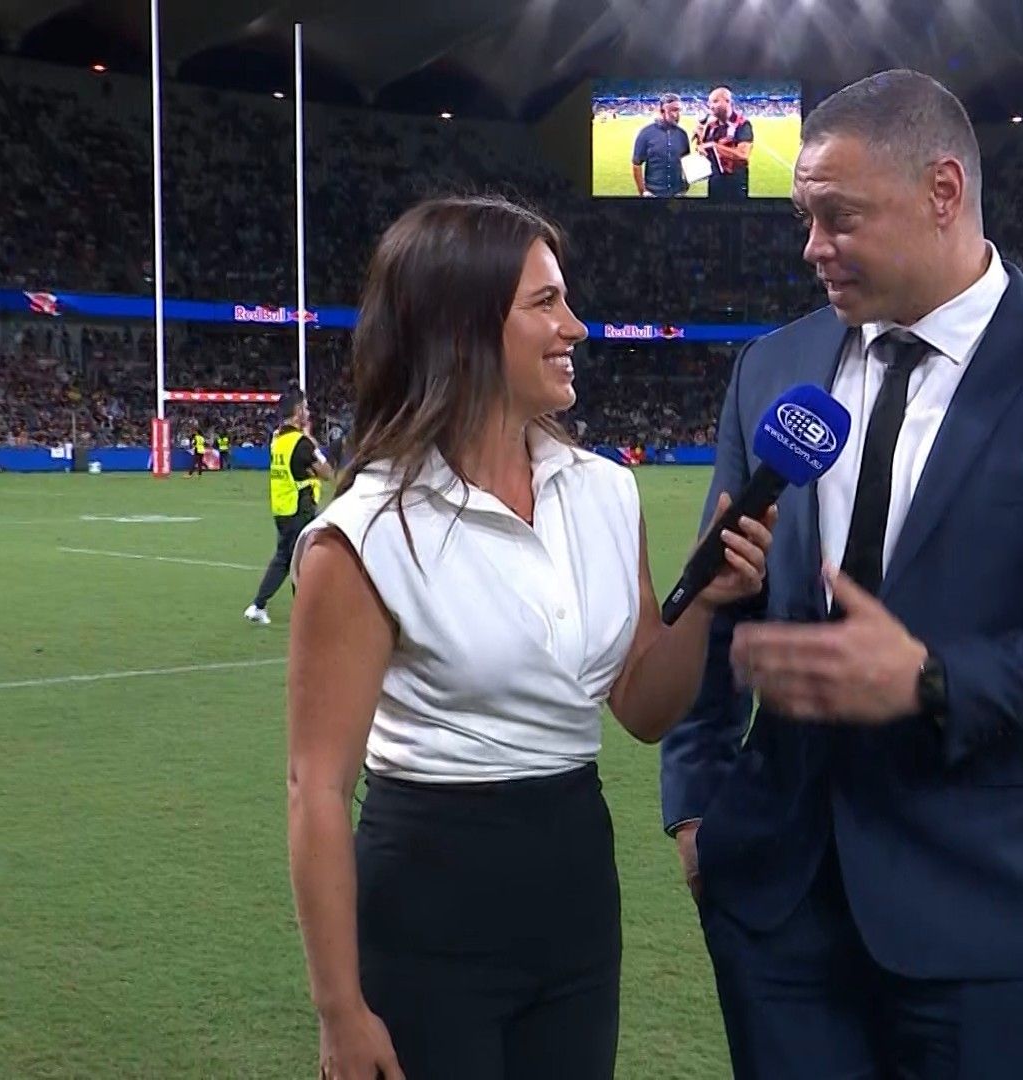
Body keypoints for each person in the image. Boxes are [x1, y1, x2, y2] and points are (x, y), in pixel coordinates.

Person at [659, 70, 1023, 1079]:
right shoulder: (771, 368)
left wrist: (931, 678)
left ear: (944, 191)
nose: (813, 247)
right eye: (806, 220)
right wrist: (694, 809)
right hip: (775, 902)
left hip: (991, 910)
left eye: (839, 218)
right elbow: (719, 595)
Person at [285, 196, 774, 1080]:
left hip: (575, 895)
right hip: (428, 904)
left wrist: (706, 603)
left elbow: (643, 707)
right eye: (545, 303)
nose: (576, 327)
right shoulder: (363, 535)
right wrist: (340, 1010)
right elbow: (316, 788)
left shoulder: (604, 492)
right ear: (462, 327)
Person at [243, 391, 333, 626]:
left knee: (287, 557)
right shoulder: (301, 443)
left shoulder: (277, 440)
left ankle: (260, 605)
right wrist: (311, 442)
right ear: (297, 412)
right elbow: (327, 472)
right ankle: (300, 613)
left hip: (283, 506)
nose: (308, 413)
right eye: (305, 408)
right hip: (300, 506)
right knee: (298, 559)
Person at [696, 86, 754, 200]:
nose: (710, 106)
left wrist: (714, 146)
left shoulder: (742, 124)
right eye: (710, 103)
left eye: (715, 101)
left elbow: (743, 155)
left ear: (728, 101)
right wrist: (699, 140)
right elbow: (704, 150)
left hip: (735, 185)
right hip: (714, 182)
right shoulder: (711, 125)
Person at [632, 93, 690, 198]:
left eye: (679, 110)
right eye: (673, 110)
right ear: (662, 110)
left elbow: (686, 161)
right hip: (653, 193)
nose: (676, 115)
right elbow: (636, 164)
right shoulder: (645, 133)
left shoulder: (682, 134)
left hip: (678, 193)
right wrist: (643, 192)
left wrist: (686, 186)